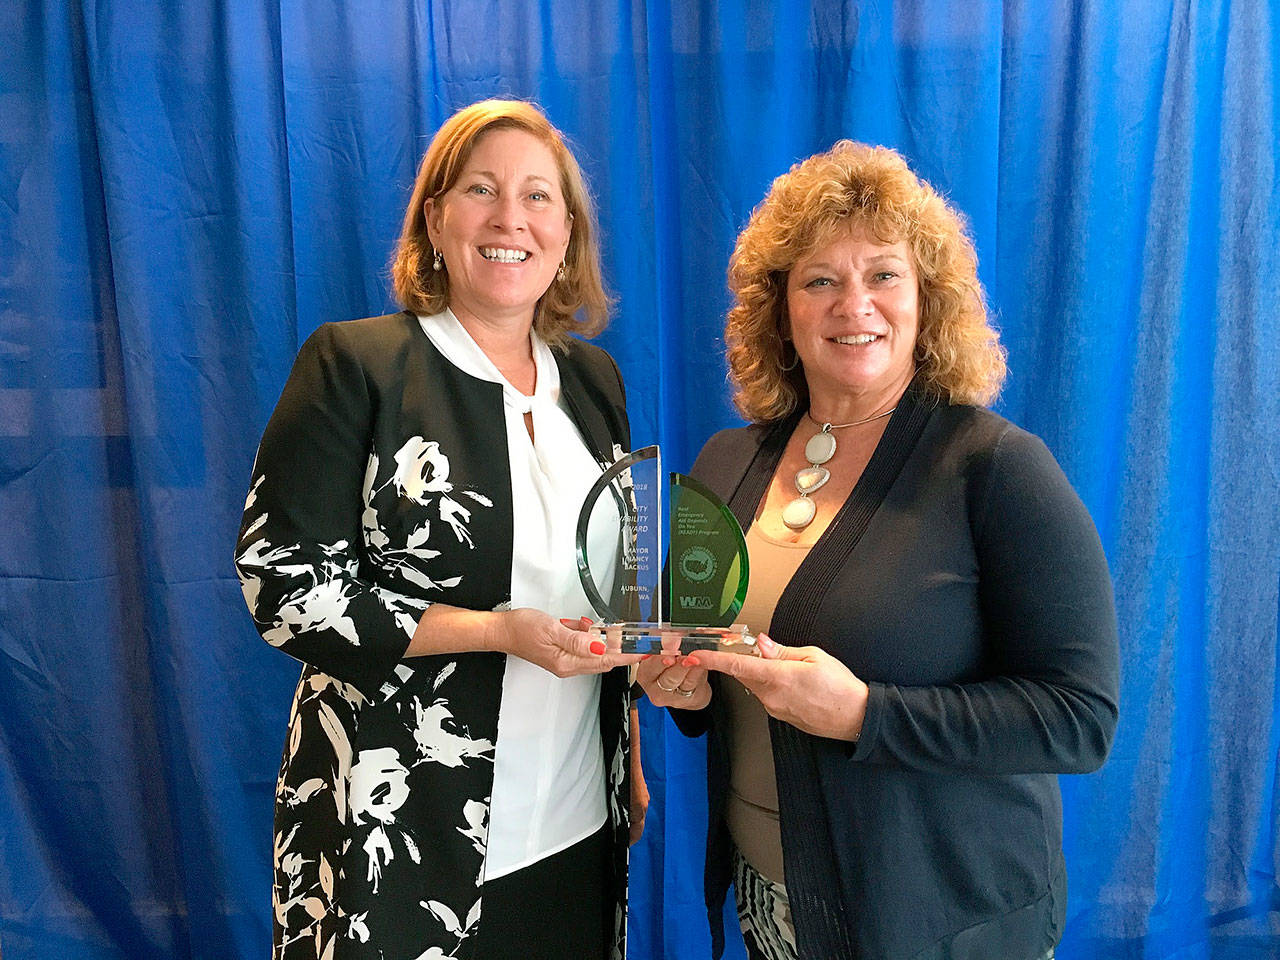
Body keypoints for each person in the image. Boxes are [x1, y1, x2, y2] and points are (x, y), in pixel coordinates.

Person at [637, 141, 1119, 960]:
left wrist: (867, 714)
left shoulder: (995, 468)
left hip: (937, 919)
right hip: (770, 900)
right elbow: (719, 677)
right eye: (820, 279)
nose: (853, 304)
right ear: (780, 310)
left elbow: (1080, 720)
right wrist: (684, 690)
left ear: (928, 301)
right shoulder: (728, 462)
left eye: (884, 275)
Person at [235, 99, 647, 960]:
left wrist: (632, 751)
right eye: (481, 190)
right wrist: (497, 633)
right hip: (404, 827)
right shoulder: (356, 366)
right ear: (434, 217)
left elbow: (620, 583)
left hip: (575, 816)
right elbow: (287, 592)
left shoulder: (596, 381)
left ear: (567, 234)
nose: (511, 219)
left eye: (539, 198)